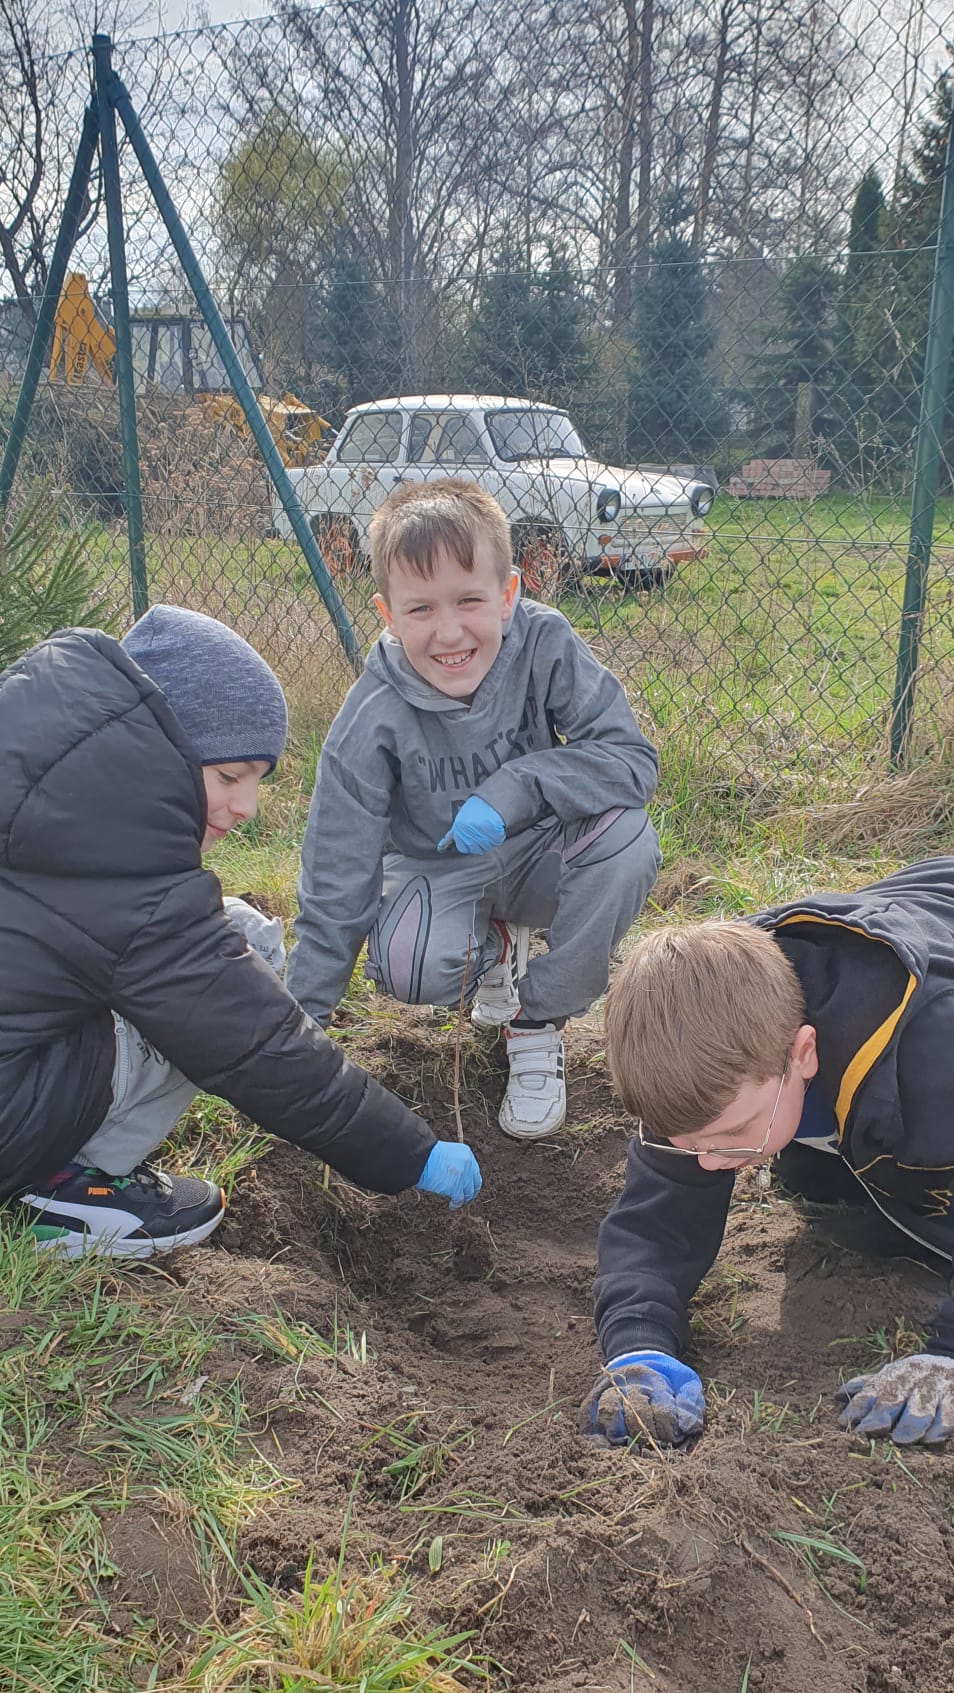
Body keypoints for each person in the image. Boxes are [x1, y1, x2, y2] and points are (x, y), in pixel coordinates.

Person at [0, 605, 481, 1259]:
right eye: (230, 777)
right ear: (167, 745)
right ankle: (66, 1185)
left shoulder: (41, 772)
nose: (247, 808)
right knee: (245, 941)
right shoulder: (121, 868)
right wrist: (410, 1152)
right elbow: (253, 1040)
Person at [286, 479, 661, 1139]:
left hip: (539, 854)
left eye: (469, 601)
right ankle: (490, 952)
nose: (450, 632)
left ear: (509, 594)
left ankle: (537, 1021)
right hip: (440, 867)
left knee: (626, 843)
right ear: (387, 614)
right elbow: (337, 867)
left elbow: (630, 761)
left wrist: (516, 786)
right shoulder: (371, 717)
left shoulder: (543, 645)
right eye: (421, 609)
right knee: (405, 963)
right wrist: (297, 1030)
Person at [582, 859, 954, 1451]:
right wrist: (639, 1344)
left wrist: (946, 1358)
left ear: (802, 1054)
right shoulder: (703, 1049)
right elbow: (656, 1225)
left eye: (733, 1135)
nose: (708, 1162)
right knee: (821, 1185)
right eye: (691, 1145)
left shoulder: (935, 1058)